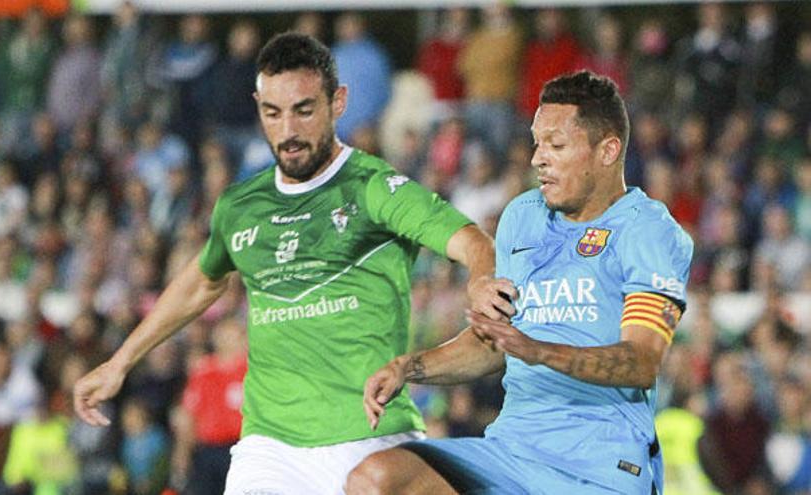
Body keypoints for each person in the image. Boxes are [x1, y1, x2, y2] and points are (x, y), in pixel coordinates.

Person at [73, 32, 510, 494]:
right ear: (258, 106)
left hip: (369, 436)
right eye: (273, 113)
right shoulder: (241, 205)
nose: (288, 131)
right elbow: (203, 283)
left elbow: (471, 241)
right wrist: (120, 362)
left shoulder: (373, 187)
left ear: (336, 103)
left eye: (304, 110)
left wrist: (482, 280)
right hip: (270, 446)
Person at [346, 71, 694, 495]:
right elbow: (493, 343)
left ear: (607, 151)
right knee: (377, 479)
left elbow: (640, 363)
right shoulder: (522, 217)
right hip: (511, 455)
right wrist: (409, 367)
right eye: (537, 142)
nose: (537, 158)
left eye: (557, 145)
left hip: (601, 465)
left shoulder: (648, 230)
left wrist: (538, 350)